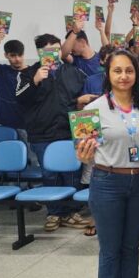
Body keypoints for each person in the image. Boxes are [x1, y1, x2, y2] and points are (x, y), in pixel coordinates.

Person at [74, 50, 139, 278]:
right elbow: (83, 154)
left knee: (131, 248)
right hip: (108, 182)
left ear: (137, 74)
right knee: (110, 251)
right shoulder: (94, 109)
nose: (124, 76)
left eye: (129, 71)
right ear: (108, 75)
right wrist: (83, 154)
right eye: (117, 71)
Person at [16, 33, 93, 231]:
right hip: (42, 133)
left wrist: (79, 102)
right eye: (47, 49)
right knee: (49, 175)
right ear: (39, 52)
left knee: (72, 174)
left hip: (69, 131)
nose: (53, 53)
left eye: (56, 48)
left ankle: (71, 212)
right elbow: (20, 98)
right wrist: (35, 80)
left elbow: (78, 100)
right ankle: (54, 213)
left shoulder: (72, 71)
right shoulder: (28, 73)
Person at [0, 32, 28, 133]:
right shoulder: (2, 71)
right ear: (6, 55)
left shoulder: (33, 72)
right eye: (13, 56)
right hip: (6, 124)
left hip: (28, 125)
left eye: (20, 55)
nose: (17, 59)